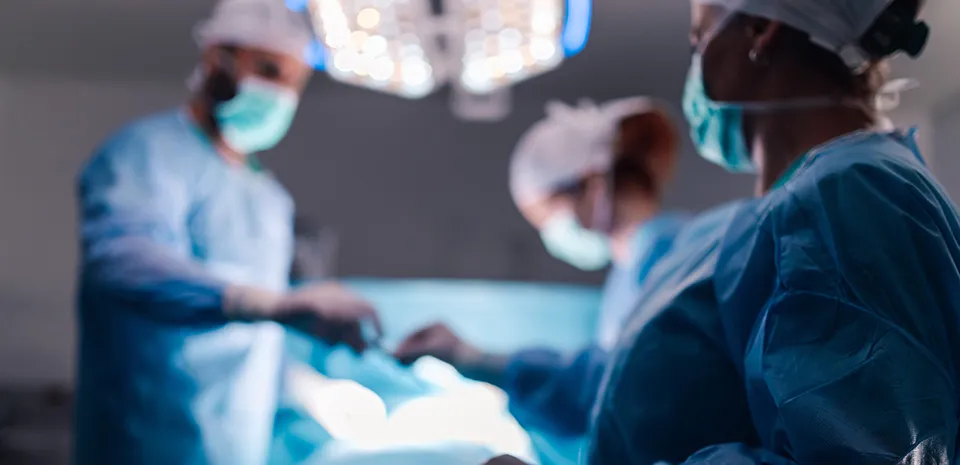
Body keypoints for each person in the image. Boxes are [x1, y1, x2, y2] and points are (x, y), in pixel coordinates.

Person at [592, 0, 956, 464]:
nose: (696, 62)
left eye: (699, 39)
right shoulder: (803, 206)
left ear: (760, 29)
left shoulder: (849, 195)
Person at [72, 1, 381, 464]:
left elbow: (254, 343)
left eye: (296, 84)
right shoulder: (149, 153)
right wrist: (268, 304)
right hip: (147, 440)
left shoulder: (269, 198)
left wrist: (306, 387)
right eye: (271, 71)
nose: (282, 96)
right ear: (219, 61)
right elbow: (122, 262)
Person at [394, 97, 691, 437]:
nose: (552, 231)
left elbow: (620, 384)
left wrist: (477, 358)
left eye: (549, 213)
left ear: (592, 183)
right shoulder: (629, 272)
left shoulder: (676, 256)